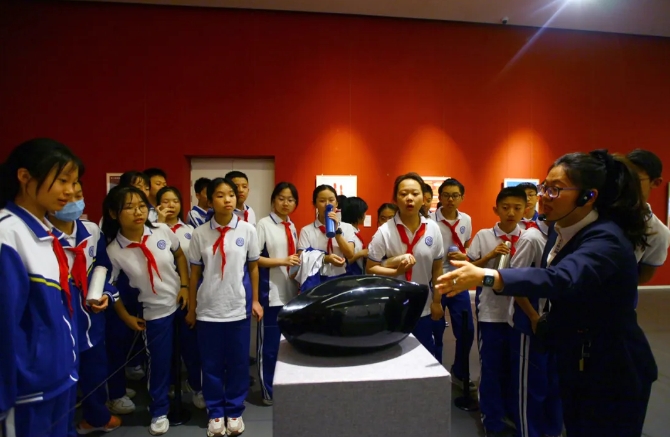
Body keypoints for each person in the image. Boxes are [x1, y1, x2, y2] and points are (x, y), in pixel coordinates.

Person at [437, 150, 658, 437]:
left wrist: (488, 276)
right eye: (544, 187)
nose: (542, 197)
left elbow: (562, 278)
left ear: (588, 196)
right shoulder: (562, 229)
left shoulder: (606, 237)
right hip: (577, 355)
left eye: (555, 190)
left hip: (612, 368)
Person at [0, 138, 83, 437]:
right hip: (27, 392)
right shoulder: (8, 234)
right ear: (25, 177)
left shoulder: (47, 235)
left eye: (74, 182)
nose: (71, 191)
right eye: (62, 180)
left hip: (59, 378)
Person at [102, 186, 190, 436]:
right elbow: (110, 287)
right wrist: (125, 316)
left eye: (142, 206)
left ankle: (197, 390)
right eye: (129, 208)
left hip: (181, 301)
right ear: (114, 214)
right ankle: (159, 410)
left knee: (192, 351)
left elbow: (180, 255)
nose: (138, 212)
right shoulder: (114, 251)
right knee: (158, 363)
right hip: (154, 310)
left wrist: (185, 286)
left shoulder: (161, 230)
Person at [185, 177, 263, 437]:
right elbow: (195, 275)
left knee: (238, 364)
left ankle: (234, 410)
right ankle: (215, 412)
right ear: (209, 200)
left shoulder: (247, 230)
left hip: (237, 307)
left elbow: (253, 268)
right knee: (211, 365)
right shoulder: (199, 233)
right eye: (220, 195)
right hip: (208, 309)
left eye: (231, 194)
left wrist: (255, 300)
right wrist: (192, 309)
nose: (228, 199)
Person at [46, 181, 122, 434]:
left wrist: (105, 293)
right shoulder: (41, 236)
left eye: (78, 195)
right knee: (62, 380)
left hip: (91, 316)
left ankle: (96, 417)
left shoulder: (91, 230)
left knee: (95, 372)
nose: (74, 201)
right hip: (60, 320)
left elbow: (102, 266)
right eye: (66, 197)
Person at [465, 186, 526, 437]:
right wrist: (491, 255)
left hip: (518, 313)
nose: (511, 213)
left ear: (525, 210)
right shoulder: (484, 235)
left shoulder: (528, 237)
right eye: (505, 207)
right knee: (491, 367)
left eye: (517, 208)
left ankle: (513, 413)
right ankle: (492, 421)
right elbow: (469, 267)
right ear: (496, 209)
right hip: (491, 313)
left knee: (515, 368)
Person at [366, 173, 444, 356]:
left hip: (423, 306)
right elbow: (370, 268)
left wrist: (437, 301)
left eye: (415, 194)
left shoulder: (433, 229)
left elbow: (437, 269)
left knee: (424, 355)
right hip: (393, 306)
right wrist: (395, 272)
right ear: (395, 199)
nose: (409, 198)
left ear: (424, 199)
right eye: (403, 194)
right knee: (392, 356)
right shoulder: (384, 232)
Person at [506, 221, 563, 437]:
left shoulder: (569, 236)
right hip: (532, 321)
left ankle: (552, 431)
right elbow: (516, 281)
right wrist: (533, 316)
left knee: (555, 385)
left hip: (558, 322)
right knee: (532, 387)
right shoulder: (532, 237)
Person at [155, 186, 205, 409]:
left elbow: (197, 266)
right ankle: (166, 390)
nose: (171, 205)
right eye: (166, 201)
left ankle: (197, 387)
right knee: (164, 350)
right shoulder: (149, 231)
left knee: (191, 346)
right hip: (160, 297)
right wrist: (158, 223)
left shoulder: (189, 231)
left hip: (186, 296)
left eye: (175, 201)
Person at [256, 182, 300, 406]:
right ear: (273, 200)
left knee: (287, 346)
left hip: (290, 293)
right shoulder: (263, 224)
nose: (285, 203)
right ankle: (268, 391)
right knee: (270, 347)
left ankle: (284, 386)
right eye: (281, 198)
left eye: (290, 199)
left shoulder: (291, 225)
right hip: (271, 294)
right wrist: (282, 261)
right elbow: (254, 259)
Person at [432, 178, 475, 391]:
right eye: (446, 195)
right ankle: (435, 377)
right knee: (436, 330)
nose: (450, 199)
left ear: (462, 198)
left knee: (466, 331)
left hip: (459, 280)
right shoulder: (429, 221)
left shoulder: (466, 219)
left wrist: (463, 255)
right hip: (436, 281)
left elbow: (466, 246)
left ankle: (460, 372)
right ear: (439, 197)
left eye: (455, 195)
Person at [296, 185, 356, 287]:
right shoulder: (306, 230)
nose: (327, 204)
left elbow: (350, 254)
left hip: (342, 278)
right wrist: (326, 258)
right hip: (316, 279)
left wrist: (336, 231)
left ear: (336, 203)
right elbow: (302, 256)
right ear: (315, 204)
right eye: (322, 201)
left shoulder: (347, 227)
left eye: (331, 200)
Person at [626, 149, 670, 284]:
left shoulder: (658, 233)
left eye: (636, 179)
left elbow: (641, 278)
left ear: (655, 182)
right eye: (625, 177)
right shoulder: (598, 209)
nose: (626, 184)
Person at [341, 196, 369, 275]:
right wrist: (361, 253)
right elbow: (344, 261)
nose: (365, 215)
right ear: (357, 214)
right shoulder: (344, 233)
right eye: (364, 212)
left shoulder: (355, 231)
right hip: (349, 275)